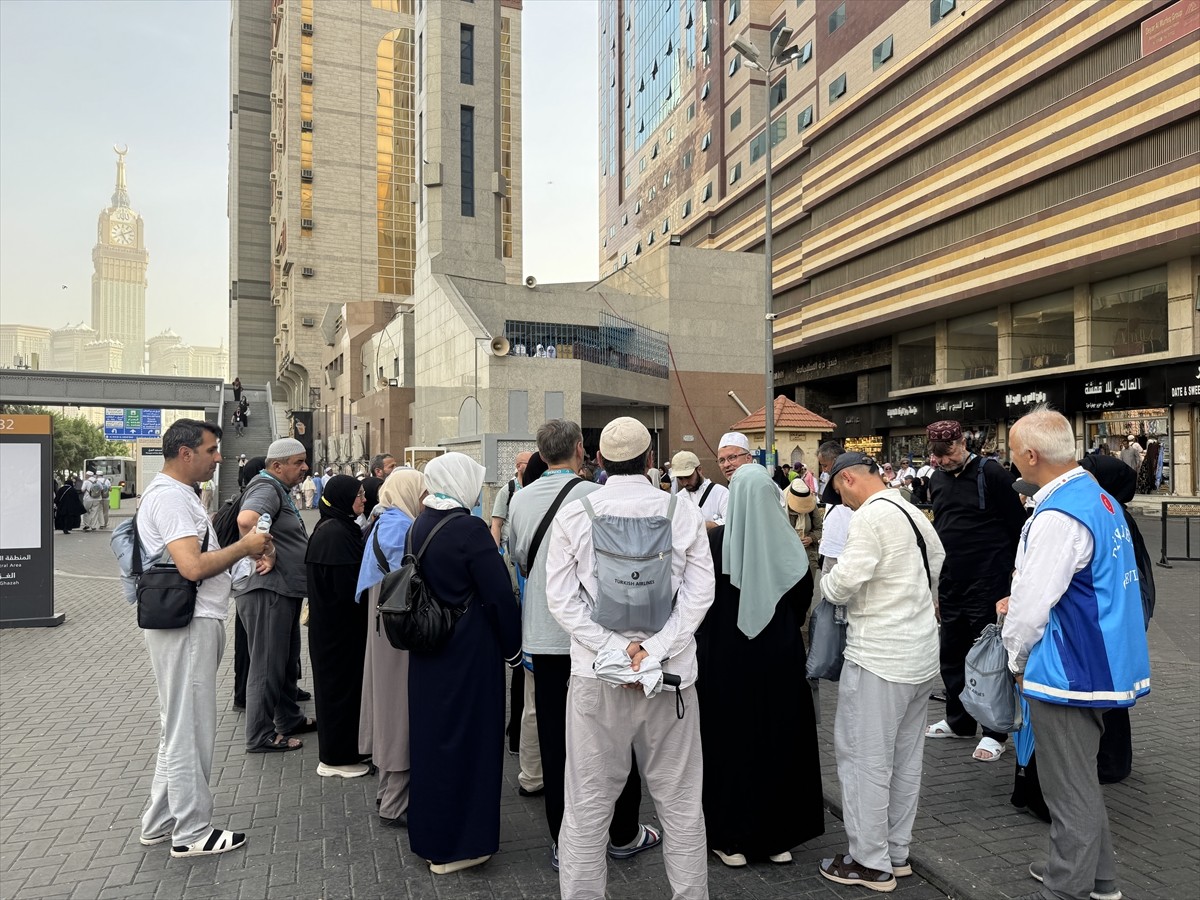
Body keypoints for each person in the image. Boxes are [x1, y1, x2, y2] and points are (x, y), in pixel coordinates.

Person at [546, 416, 715, 900]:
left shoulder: (577, 514)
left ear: (597, 459)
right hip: (672, 679)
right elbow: (701, 593)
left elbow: (561, 600)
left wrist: (615, 650)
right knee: (681, 806)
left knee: (586, 808)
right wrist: (654, 650)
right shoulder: (680, 510)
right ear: (649, 460)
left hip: (597, 679)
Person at [1000, 406, 1149, 900]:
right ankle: (1100, 881)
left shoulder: (1060, 513)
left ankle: (1066, 887)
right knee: (1080, 781)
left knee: (1068, 791)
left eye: (1013, 452)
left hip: (1068, 667)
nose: (1012, 461)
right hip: (1099, 661)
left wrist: (1015, 658)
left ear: (1030, 454)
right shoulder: (1096, 498)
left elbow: (1029, 605)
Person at [509, 420, 659, 872]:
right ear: (580, 449)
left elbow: (518, 557)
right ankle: (623, 832)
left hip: (540, 635)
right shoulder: (593, 497)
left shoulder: (518, 498)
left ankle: (564, 841)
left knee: (557, 743)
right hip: (592, 640)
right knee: (616, 737)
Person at [135, 419, 272, 858]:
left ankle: (160, 821)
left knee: (177, 726)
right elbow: (192, 567)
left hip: (189, 621)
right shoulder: (172, 499)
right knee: (189, 728)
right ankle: (192, 832)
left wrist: (245, 560)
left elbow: (200, 565)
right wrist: (247, 547)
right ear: (185, 453)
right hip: (189, 624)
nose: (219, 458)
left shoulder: (177, 496)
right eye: (212, 450)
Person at [817, 452, 944, 893]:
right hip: (921, 654)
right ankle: (896, 851)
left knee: (863, 759)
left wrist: (827, 579)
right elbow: (938, 562)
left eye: (839, 493)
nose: (843, 503)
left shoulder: (869, 518)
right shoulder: (910, 508)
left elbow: (844, 582)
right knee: (906, 759)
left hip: (879, 656)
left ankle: (870, 862)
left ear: (848, 479)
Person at [699, 463, 823, 867]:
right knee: (777, 739)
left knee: (728, 744)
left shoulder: (713, 544)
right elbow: (802, 603)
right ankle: (776, 837)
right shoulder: (788, 545)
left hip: (724, 664)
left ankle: (730, 838)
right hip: (778, 660)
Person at [405, 453, 523, 875]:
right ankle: (463, 845)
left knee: (434, 741)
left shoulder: (420, 523)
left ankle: (434, 839)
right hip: (468, 652)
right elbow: (499, 596)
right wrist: (514, 648)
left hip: (428, 650)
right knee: (472, 741)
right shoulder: (469, 529)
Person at [924, 419, 1027, 763]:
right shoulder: (936, 477)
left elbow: (1018, 526)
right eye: (937, 455)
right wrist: (937, 585)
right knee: (951, 653)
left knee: (989, 657)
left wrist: (1014, 579)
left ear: (962, 441)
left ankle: (995, 731)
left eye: (949, 451)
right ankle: (959, 721)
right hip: (952, 578)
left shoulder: (992, 473)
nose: (944, 460)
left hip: (990, 580)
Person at [234, 438, 314, 753]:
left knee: (282, 661)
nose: (305, 468)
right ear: (277, 466)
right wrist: (267, 551)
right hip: (268, 590)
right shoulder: (266, 488)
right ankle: (260, 735)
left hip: (281, 590)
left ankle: (289, 717)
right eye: (298, 462)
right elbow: (247, 520)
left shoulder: (275, 488)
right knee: (267, 665)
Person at [357, 467, 425, 827]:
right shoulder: (402, 527)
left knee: (386, 706)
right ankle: (395, 803)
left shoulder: (383, 520)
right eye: (421, 491)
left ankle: (388, 792)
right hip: (396, 631)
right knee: (398, 708)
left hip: (381, 623)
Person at [305, 475, 369, 778]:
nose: (364, 499)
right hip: (337, 633)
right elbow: (347, 589)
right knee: (339, 693)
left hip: (334, 630)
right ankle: (337, 759)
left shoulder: (336, 527)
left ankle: (342, 752)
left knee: (340, 691)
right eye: (358, 495)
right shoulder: (335, 535)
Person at [232, 456, 267, 711]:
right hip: (251, 579)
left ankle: (242, 693)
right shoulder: (255, 502)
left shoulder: (240, 500)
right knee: (253, 645)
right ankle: (244, 696)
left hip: (243, 582)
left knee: (246, 642)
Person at [670, 449, 729, 528]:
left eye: (688, 477)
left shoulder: (721, 493)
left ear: (699, 470)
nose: (685, 483)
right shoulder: (678, 498)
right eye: (680, 478)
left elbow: (730, 522)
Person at [785, 478, 823, 584]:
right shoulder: (781, 507)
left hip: (808, 556)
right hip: (787, 557)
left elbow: (820, 528)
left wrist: (811, 538)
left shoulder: (811, 506)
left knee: (806, 593)